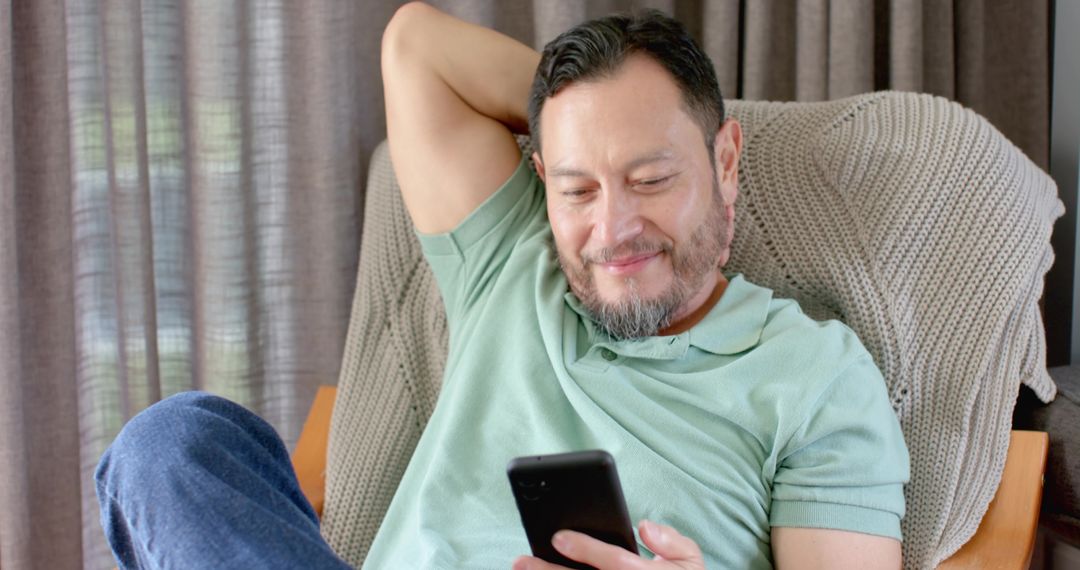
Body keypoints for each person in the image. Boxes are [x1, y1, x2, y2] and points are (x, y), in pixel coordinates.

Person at [95, 3, 909, 569]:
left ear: (726, 162)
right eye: (578, 189)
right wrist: (572, 119)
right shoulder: (513, 260)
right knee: (173, 443)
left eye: (652, 177)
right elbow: (415, 45)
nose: (613, 229)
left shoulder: (817, 377)